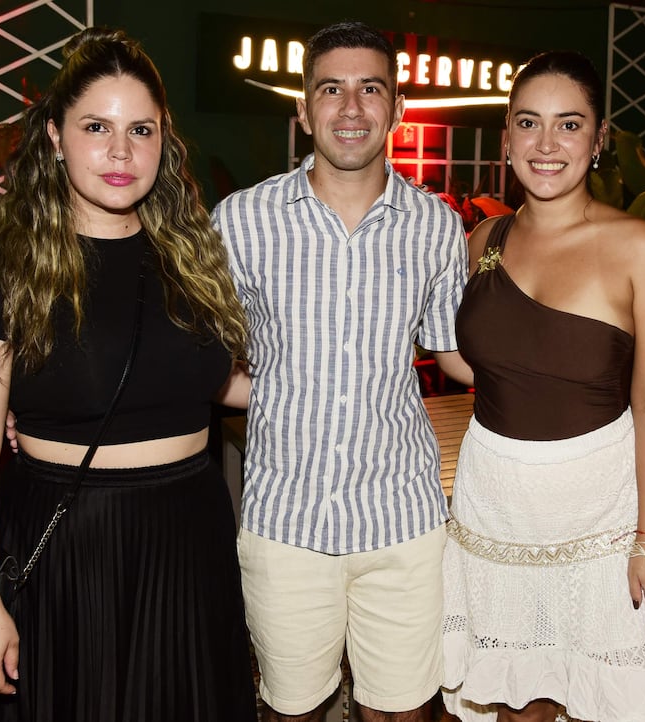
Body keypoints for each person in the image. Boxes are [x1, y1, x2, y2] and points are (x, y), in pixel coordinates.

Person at [0, 27, 257, 722]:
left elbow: (208, 382)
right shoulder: (5, 275)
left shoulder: (191, 258)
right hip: (69, 551)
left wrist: (333, 387)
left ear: (163, 142)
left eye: (140, 129)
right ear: (55, 136)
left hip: (190, 539)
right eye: (96, 127)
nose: (120, 151)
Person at [212, 21, 471, 722]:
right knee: (291, 710)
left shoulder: (436, 226)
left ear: (397, 109)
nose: (351, 107)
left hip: (403, 520)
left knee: (405, 712)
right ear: (302, 109)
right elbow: (202, 356)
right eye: (331, 88)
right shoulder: (240, 222)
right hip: (286, 522)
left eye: (370, 89)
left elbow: (456, 354)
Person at [439, 50, 645, 721]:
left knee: (607, 696)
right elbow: (481, 363)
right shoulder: (484, 240)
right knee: (518, 695)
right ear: (506, 139)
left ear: (599, 139)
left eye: (569, 124)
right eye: (529, 123)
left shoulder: (640, 247)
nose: (546, 145)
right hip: (496, 503)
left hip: (602, 511)